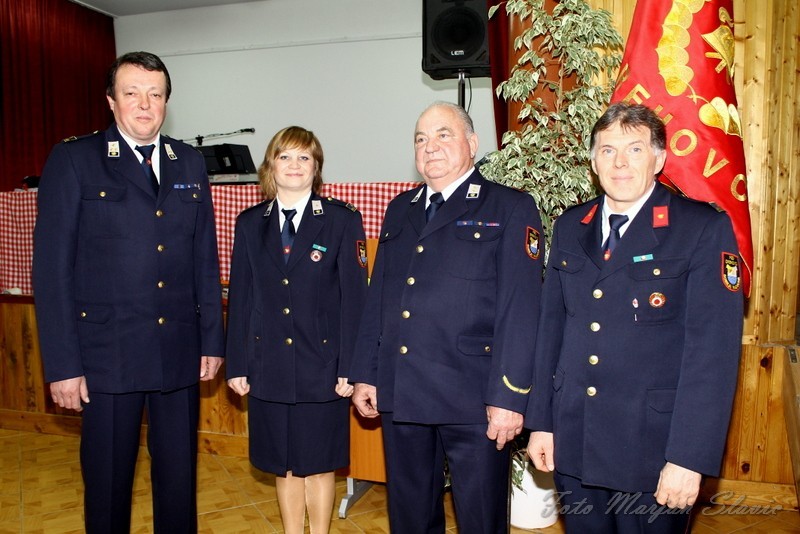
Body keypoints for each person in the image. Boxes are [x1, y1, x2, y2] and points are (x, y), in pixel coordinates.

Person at [525, 102, 744, 533]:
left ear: (659, 159)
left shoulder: (699, 228)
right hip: (575, 440)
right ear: (593, 162)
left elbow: (712, 357)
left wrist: (688, 457)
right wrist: (541, 425)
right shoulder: (571, 226)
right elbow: (551, 332)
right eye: (607, 151)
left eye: (635, 149)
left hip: (652, 451)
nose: (620, 163)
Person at [32, 51, 224, 533]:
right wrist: (63, 365)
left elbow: (204, 258)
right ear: (111, 101)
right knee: (108, 483)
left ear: (166, 102)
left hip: (177, 351)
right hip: (106, 356)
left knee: (178, 482)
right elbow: (52, 272)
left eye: (155, 94)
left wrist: (212, 340)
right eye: (132, 93)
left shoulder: (188, 161)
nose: (144, 104)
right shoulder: (75, 159)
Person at [349, 101, 544, 533]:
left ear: (472, 144)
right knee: (411, 517)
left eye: (443, 135)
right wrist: (367, 374)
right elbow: (379, 299)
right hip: (403, 390)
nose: (429, 146)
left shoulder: (508, 207)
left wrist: (510, 397)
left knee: (480, 518)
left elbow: (521, 310)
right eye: (421, 139)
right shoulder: (400, 209)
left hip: (474, 397)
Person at [226, 126, 368, 534]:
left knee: (319, 465)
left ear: (316, 167)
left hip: (323, 367)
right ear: (270, 165)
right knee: (283, 465)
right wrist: (237, 364)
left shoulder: (342, 220)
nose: (294, 165)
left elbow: (355, 302)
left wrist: (351, 368)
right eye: (285, 156)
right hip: (267, 366)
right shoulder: (249, 224)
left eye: (304, 157)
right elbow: (241, 297)